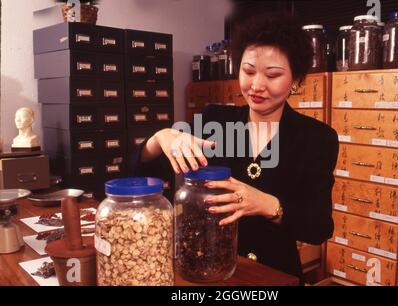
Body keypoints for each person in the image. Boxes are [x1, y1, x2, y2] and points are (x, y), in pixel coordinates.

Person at [135, 12, 339, 284]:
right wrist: (160, 138)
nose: (256, 86)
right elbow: (145, 177)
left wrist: (269, 204)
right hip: (208, 270)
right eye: (249, 71)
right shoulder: (215, 121)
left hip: (275, 275)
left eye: (273, 75)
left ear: (296, 81)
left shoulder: (316, 138)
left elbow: (318, 227)